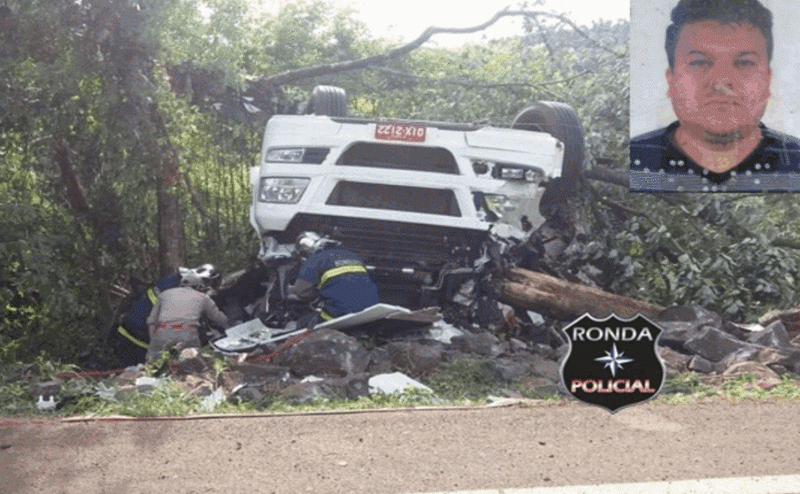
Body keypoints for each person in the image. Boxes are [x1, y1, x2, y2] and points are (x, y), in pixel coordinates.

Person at [630, 0, 800, 192]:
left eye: (744, 63)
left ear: (768, 80)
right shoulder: (634, 160)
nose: (721, 82)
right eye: (700, 62)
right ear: (671, 80)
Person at [286, 232, 380, 329]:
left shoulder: (313, 261)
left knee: (302, 323)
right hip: (371, 309)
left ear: (305, 252)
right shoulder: (351, 254)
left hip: (342, 312)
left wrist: (288, 292)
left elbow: (302, 293)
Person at [145, 266, 230, 361]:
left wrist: (155, 341)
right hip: (186, 334)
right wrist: (230, 329)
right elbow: (219, 318)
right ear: (199, 286)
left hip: (162, 332)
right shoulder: (203, 297)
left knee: (152, 363)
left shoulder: (163, 294)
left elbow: (151, 322)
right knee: (192, 364)